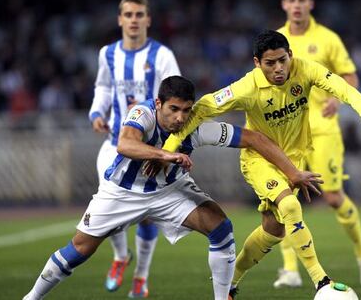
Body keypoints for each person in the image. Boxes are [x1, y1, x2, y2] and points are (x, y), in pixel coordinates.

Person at [22, 75, 322, 300]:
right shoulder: (142, 114)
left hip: (170, 191)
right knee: (79, 250)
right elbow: (126, 144)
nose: (179, 118)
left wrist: (292, 172)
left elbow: (255, 139)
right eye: (174, 109)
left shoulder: (197, 125)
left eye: (186, 110)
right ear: (159, 104)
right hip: (122, 192)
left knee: (221, 228)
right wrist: (166, 154)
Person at [160, 31, 361, 299]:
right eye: (270, 63)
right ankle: (321, 281)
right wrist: (167, 150)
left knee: (273, 230)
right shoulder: (246, 88)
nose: (279, 68)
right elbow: (202, 108)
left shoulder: (305, 70)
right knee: (290, 205)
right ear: (257, 63)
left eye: (282, 60)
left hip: (293, 159)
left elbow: (344, 89)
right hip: (259, 159)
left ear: (290, 56)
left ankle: (230, 283)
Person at [273, 0, 361, 287]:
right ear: (284, 4)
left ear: (310, 4)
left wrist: (338, 99)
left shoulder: (328, 38)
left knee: (333, 197)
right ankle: (290, 269)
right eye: (291, 0)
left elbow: (350, 76)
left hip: (323, 129)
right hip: (288, 130)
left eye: (301, 0)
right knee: (284, 197)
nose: (296, 6)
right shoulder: (277, 40)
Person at [89, 0, 180, 297]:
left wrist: (168, 148)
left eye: (139, 15)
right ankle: (119, 256)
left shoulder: (162, 56)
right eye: (128, 15)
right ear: (120, 19)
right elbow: (103, 86)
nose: (133, 20)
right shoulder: (108, 54)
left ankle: (141, 277)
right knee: (109, 208)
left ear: (148, 19)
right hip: (115, 143)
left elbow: (176, 98)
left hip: (151, 148)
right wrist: (97, 112)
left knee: (147, 214)